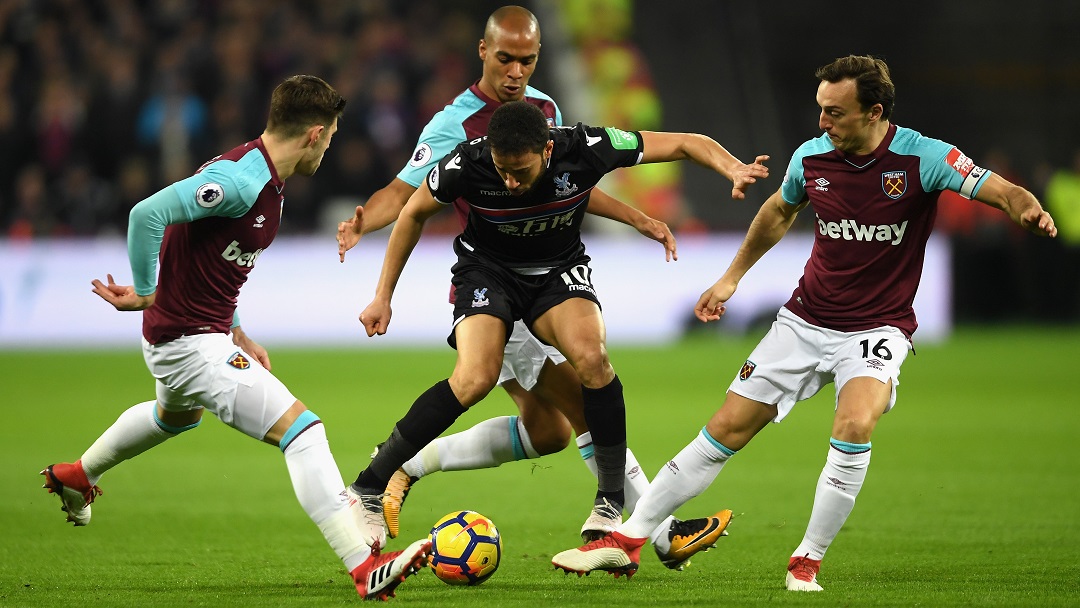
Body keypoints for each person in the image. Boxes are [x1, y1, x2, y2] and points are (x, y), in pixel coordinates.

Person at [551, 54, 1058, 588]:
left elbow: (1000, 188)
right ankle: (631, 540)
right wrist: (731, 278)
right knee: (725, 428)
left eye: (835, 113)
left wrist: (1026, 208)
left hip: (876, 329)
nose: (822, 123)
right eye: (820, 109)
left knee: (856, 423)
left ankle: (806, 560)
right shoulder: (812, 158)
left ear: (874, 113)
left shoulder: (923, 157)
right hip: (805, 320)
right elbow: (778, 211)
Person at [337, 5, 733, 568]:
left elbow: (562, 187)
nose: (516, 71)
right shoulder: (456, 128)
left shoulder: (543, 114)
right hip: (489, 278)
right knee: (568, 398)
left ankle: (407, 462)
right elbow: (406, 196)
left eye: (527, 60)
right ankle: (654, 530)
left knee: (547, 431)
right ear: (483, 51)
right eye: (506, 59)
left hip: (549, 274)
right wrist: (363, 228)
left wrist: (635, 216)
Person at [38, 75, 431, 601]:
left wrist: (237, 328)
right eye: (332, 135)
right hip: (188, 342)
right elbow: (146, 215)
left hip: (194, 335)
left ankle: (75, 475)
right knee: (305, 432)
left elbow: (214, 254)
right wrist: (148, 291)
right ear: (315, 134)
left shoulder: (265, 177)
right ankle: (364, 565)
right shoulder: (242, 180)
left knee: (173, 417)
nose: (331, 145)